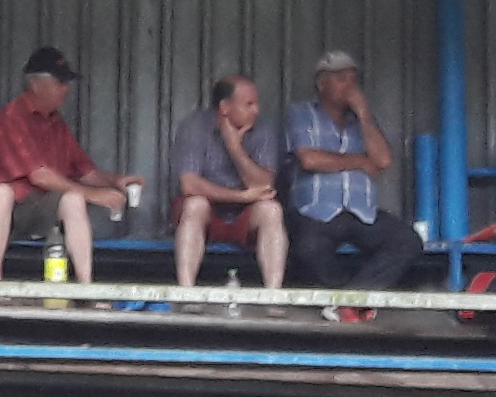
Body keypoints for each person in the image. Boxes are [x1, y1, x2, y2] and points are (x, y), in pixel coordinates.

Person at [0, 48, 138, 283]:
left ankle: (86, 285)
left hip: (35, 206)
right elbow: (39, 175)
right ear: (35, 84)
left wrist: (115, 182)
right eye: (60, 82)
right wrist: (94, 195)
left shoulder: (56, 123)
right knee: (2, 192)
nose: (66, 89)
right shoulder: (8, 119)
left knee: (73, 200)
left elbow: (84, 170)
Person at [287, 52, 421, 288]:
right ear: (321, 84)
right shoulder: (302, 113)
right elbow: (310, 159)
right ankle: (345, 294)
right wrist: (361, 161)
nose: (349, 86)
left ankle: (355, 296)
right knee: (308, 248)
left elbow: (383, 160)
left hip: (361, 212)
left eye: (353, 80)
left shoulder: (363, 122)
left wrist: (364, 114)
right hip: (316, 211)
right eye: (341, 79)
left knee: (407, 242)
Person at [167, 74, 289, 290]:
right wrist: (241, 196)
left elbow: (264, 184)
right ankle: (186, 291)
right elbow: (190, 184)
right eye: (249, 104)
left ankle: (274, 294)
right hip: (208, 211)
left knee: (272, 210)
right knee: (195, 204)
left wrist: (234, 147)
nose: (256, 110)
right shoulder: (194, 127)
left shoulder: (263, 129)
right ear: (225, 107)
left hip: (246, 213)